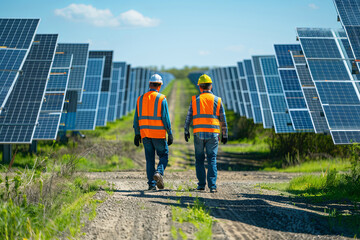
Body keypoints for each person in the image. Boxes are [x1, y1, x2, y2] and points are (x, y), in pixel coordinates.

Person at [184, 74, 228, 193]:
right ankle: (212, 186)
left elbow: (189, 117)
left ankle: (201, 185)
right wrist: (225, 133)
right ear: (211, 86)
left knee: (199, 159)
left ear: (200, 87)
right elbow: (223, 118)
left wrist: (186, 130)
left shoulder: (195, 100)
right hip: (213, 134)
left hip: (198, 133)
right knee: (212, 159)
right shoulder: (218, 100)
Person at [133, 74, 173, 190]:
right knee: (164, 155)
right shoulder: (161, 98)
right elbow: (165, 118)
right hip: (158, 134)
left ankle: (151, 184)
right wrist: (169, 133)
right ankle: (159, 173)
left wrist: (137, 133)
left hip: (145, 134)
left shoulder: (140, 99)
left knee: (149, 159)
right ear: (159, 86)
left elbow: (136, 118)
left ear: (149, 84)